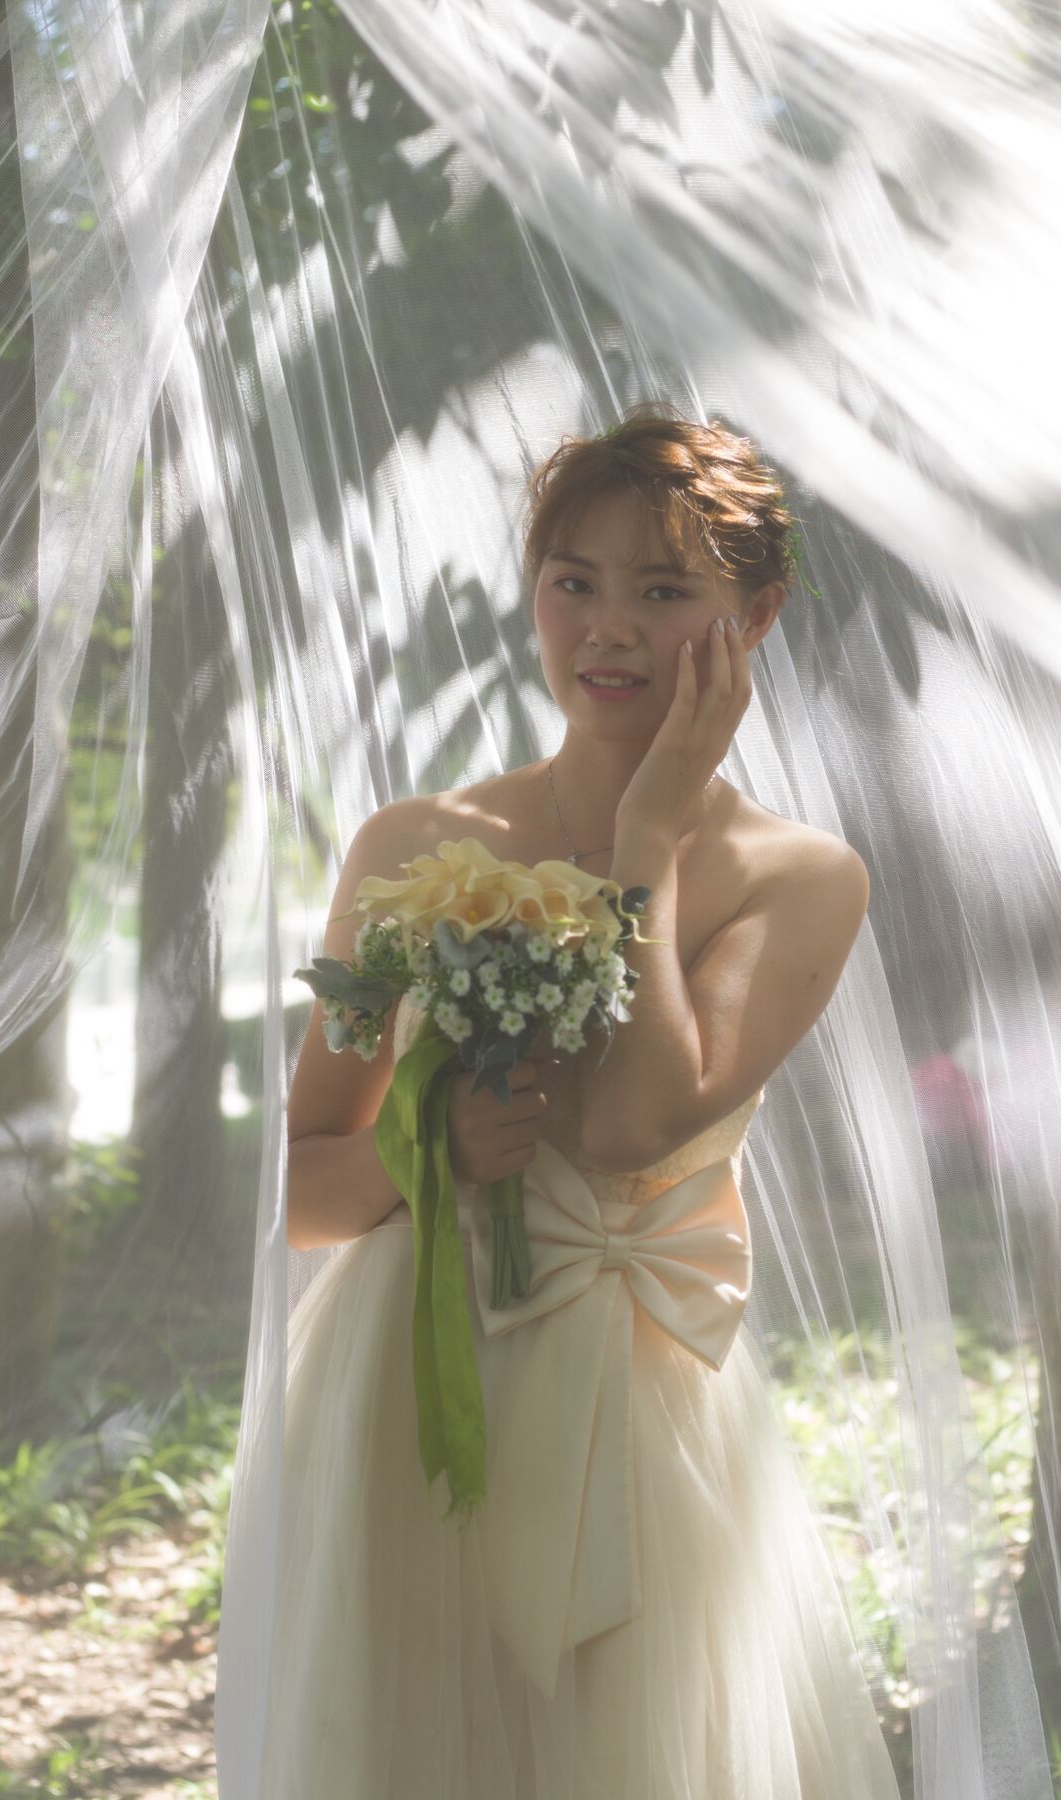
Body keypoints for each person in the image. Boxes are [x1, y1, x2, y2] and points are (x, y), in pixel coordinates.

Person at [260, 403, 903, 1798]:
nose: (608, 629)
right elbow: (301, 1189)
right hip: (413, 1393)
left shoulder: (802, 877)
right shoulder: (414, 846)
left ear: (756, 617)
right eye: (575, 582)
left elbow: (628, 1125)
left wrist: (650, 832)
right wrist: (426, 1149)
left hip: (637, 1409)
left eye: (662, 591)